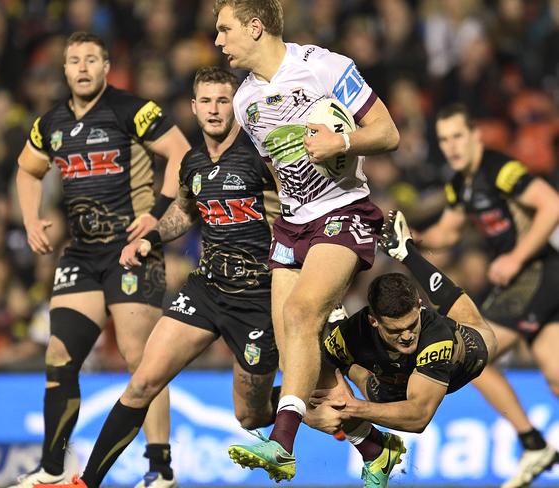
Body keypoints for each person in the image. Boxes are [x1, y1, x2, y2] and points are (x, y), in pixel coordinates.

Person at [32, 66, 282, 488]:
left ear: (235, 104)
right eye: (206, 101)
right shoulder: (192, 161)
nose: (214, 110)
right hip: (206, 290)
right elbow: (184, 211)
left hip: (258, 297)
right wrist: (150, 237)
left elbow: (295, 216)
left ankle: (304, 401)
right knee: (144, 379)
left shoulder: (262, 156)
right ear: (193, 107)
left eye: (223, 100)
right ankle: (86, 482)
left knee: (249, 414)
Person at [213, 0, 400, 482]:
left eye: (225, 30)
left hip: (344, 212)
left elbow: (388, 132)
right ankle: (374, 446)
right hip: (291, 227)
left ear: (255, 28)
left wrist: (341, 143)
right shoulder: (244, 101)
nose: (218, 41)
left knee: (300, 315)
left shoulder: (324, 67)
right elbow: (280, 168)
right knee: (300, 350)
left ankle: (282, 443)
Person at [11, 31, 191, 488]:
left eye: (92, 59)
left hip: (131, 251)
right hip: (82, 254)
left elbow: (180, 154)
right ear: (65, 69)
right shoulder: (49, 123)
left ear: (107, 67)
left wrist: (154, 216)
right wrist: (31, 220)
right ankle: (52, 469)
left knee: (141, 359)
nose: (84, 67)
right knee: (58, 355)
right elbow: (27, 170)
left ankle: (160, 469)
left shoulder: (132, 109)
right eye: (75, 60)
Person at [416, 103, 559, 487]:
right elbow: (446, 233)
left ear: (476, 135)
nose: (452, 146)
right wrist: (406, 239)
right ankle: (535, 446)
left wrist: (515, 256)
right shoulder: (460, 183)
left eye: (458, 136)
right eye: (444, 139)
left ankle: (533, 443)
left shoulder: (501, 169)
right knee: (557, 375)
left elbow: (552, 205)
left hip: (536, 272)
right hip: (532, 280)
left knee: (472, 354)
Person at [305, 210, 496, 487]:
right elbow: (318, 377)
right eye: (396, 330)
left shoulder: (435, 335)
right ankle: (376, 449)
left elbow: (419, 417)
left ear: (419, 306)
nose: (407, 336)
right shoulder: (356, 331)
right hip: (392, 379)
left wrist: (350, 410)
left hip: (462, 362)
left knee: (481, 332)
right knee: (348, 373)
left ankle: (407, 253)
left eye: (411, 325)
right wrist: (317, 411)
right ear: (374, 320)